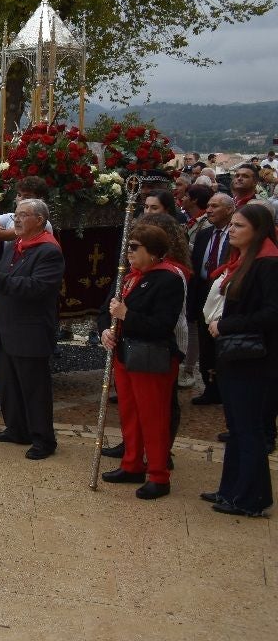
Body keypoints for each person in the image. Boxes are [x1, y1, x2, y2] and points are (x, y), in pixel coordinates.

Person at [96, 224, 188, 499]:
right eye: (128, 246)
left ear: (153, 252)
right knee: (130, 414)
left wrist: (126, 316)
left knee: (153, 417)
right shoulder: (127, 276)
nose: (129, 252)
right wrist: (105, 331)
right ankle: (132, 463)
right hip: (125, 354)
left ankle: (159, 475)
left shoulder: (169, 278)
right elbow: (105, 309)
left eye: (135, 247)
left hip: (152, 358)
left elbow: (162, 324)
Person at [0, 198, 65, 460]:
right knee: (10, 384)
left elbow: (36, 287)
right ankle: (16, 429)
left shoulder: (48, 251)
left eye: (24, 215)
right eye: (16, 215)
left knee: (34, 389)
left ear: (40, 221)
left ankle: (43, 439)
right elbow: (3, 278)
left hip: (31, 329)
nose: (18, 220)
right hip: (9, 326)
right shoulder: (17, 245)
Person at [205, 203, 278, 516]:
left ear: (258, 230)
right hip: (235, 355)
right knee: (237, 426)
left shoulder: (269, 264)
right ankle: (231, 489)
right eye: (231, 225)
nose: (231, 230)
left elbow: (272, 313)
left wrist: (225, 325)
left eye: (239, 226)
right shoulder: (243, 261)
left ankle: (251, 497)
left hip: (254, 358)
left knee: (248, 428)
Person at [190, 193, 235, 406]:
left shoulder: (234, 236)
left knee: (221, 343)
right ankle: (210, 387)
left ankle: (226, 387)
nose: (208, 210)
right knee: (205, 344)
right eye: (208, 206)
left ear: (229, 210)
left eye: (215, 206)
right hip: (202, 294)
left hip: (223, 295)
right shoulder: (204, 234)